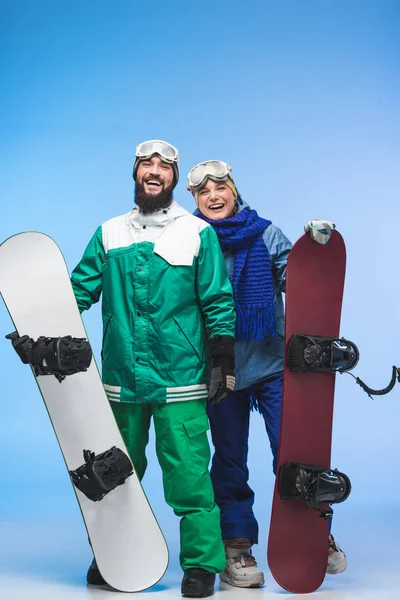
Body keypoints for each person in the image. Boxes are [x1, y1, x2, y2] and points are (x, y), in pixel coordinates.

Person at [70, 141, 237, 598]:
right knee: (116, 476)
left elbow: (218, 299)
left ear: (172, 177)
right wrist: (47, 325)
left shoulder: (196, 233)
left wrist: (222, 358)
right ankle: (116, 556)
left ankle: (202, 564)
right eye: (147, 163)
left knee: (189, 477)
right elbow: (77, 291)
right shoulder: (108, 234)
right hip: (122, 382)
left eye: (164, 166)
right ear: (136, 173)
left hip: (180, 381)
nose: (155, 171)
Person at [187, 159, 347, 588]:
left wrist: (316, 249)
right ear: (196, 200)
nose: (214, 196)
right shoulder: (189, 239)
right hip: (222, 370)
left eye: (220, 187)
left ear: (234, 191)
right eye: (204, 192)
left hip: (273, 364)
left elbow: (300, 282)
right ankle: (237, 548)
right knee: (230, 459)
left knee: (294, 453)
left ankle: (314, 533)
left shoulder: (267, 234)